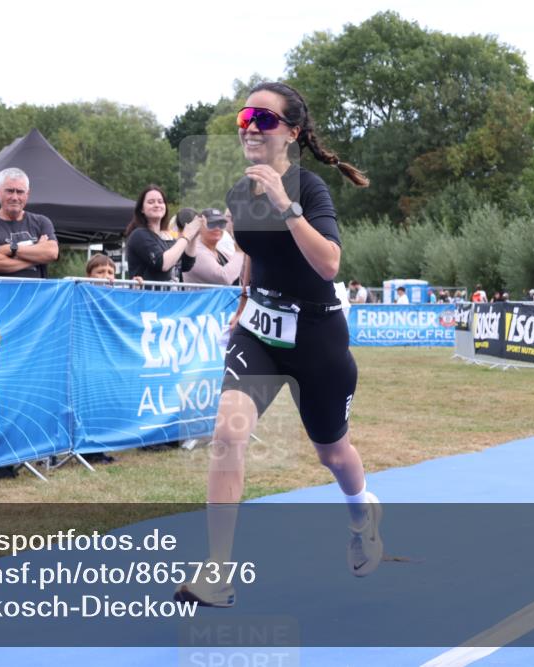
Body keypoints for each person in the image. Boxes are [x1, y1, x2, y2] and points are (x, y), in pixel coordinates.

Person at [174, 82, 380, 608]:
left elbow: (329, 263)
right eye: (245, 117)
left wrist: (286, 205)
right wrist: (244, 300)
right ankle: (218, 571)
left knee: (332, 453)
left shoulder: (309, 189)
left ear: (291, 133)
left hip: (316, 337)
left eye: (264, 119)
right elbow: (253, 253)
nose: (250, 127)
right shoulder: (239, 192)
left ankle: (362, 513)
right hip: (259, 332)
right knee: (228, 432)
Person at [0, 167, 58, 278]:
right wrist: (36, 257)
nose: (15, 197)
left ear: (27, 194)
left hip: (36, 290)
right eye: (9, 191)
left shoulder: (41, 222)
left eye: (20, 192)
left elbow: (52, 252)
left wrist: (11, 249)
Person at [124, 185, 199, 284]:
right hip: (148, 293)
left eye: (160, 202)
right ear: (142, 209)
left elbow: (186, 265)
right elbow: (163, 264)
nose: (157, 205)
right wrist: (186, 237)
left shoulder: (168, 236)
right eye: (151, 202)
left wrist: (194, 236)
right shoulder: (139, 235)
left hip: (171, 293)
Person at [182, 208, 244, 286]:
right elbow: (223, 278)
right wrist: (240, 251)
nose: (217, 228)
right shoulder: (196, 251)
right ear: (199, 226)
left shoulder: (218, 251)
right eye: (211, 224)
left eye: (221, 224)